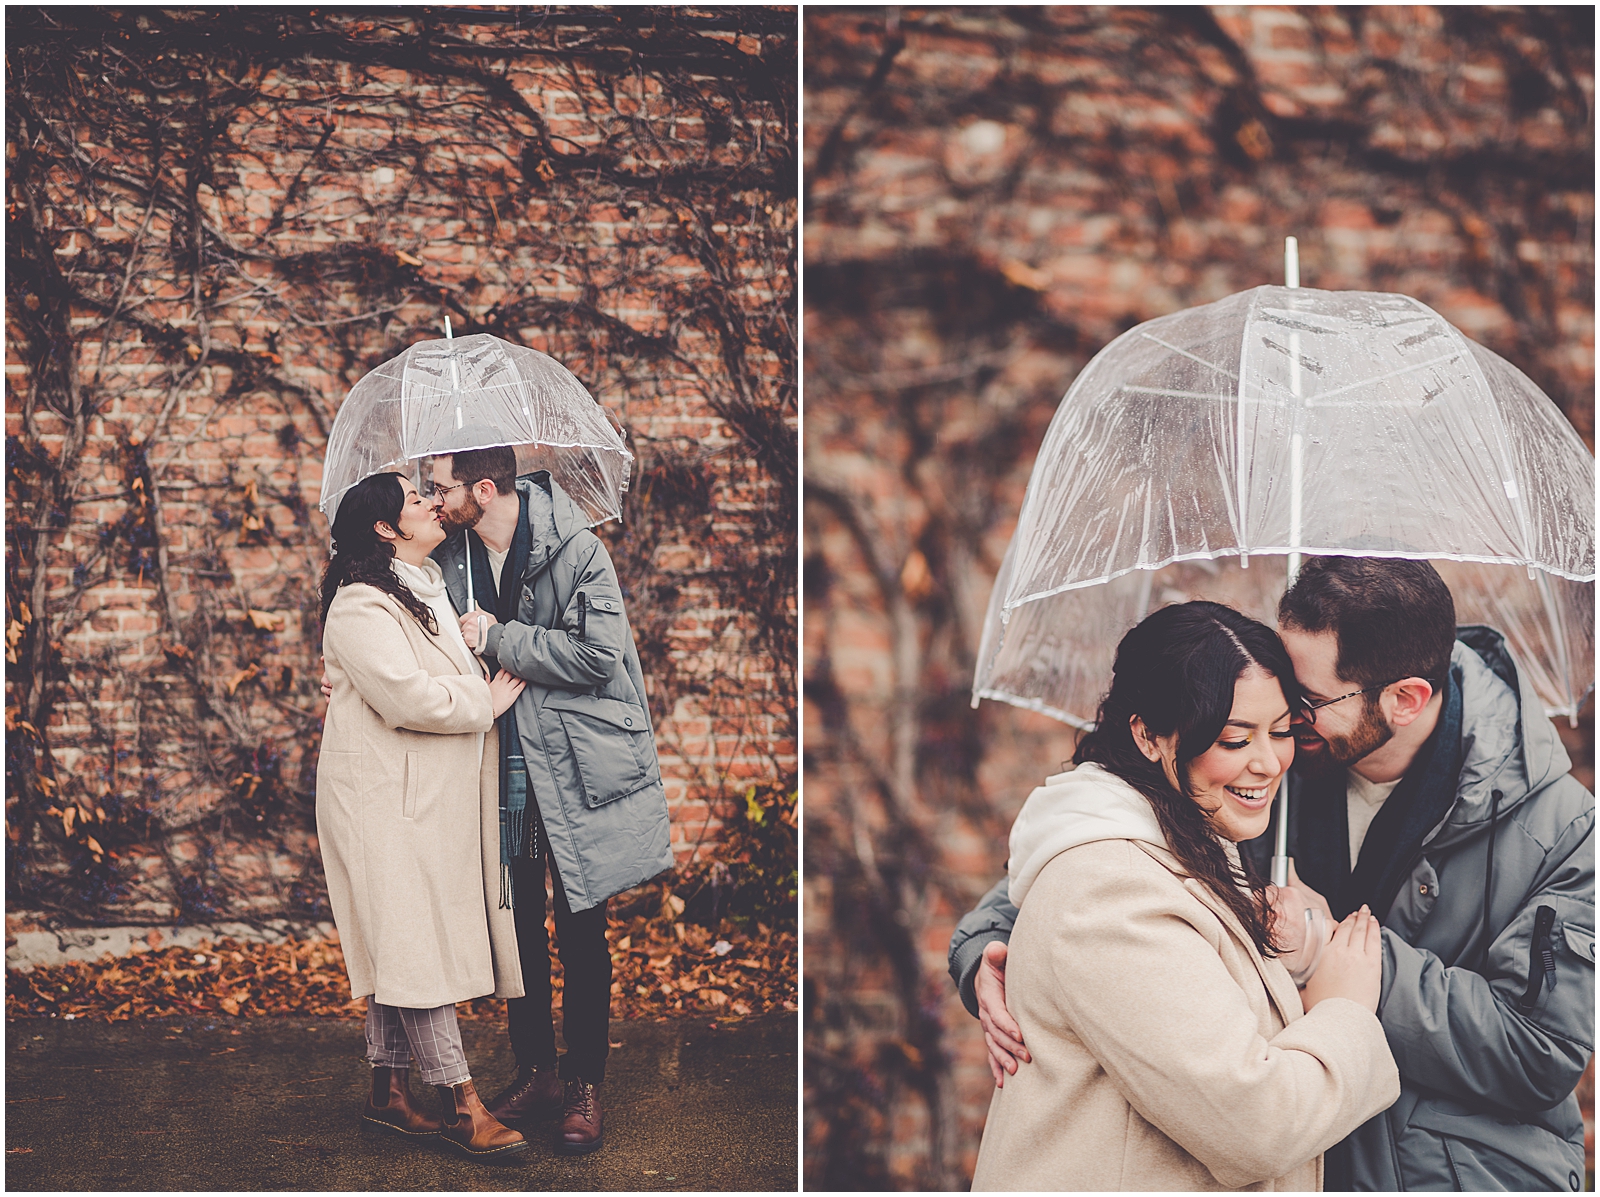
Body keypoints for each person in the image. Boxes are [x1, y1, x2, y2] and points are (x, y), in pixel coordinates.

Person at [951, 558, 1596, 1191]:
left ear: (1405, 699)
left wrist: (1338, 959)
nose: (1283, 723)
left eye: (1305, 703)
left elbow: (1540, 1053)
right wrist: (988, 949)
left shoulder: (1564, 831)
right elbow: (1099, 861)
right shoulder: (1255, 769)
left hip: (1447, 1173)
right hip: (1268, 1139)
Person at [969, 600, 1399, 1191]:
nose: (1268, 762)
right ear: (1148, 734)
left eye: (1280, 732)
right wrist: (1343, 1010)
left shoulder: (1188, 844)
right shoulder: (1111, 893)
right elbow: (1256, 1124)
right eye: (1232, 739)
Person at [426, 444, 673, 1155]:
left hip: (572, 768)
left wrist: (500, 636)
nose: (434, 499)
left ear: (483, 486)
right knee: (518, 923)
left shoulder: (579, 553)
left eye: (441, 487)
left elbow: (599, 656)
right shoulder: (456, 558)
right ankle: (537, 1072)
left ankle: (584, 1083)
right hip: (505, 769)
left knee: (581, 921)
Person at [316, 471, 530, 1162]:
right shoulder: (358, 605)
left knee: (397, 937)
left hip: (418, 797)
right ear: (384, 527)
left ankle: (386, 1090)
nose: (436, 502)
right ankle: (461, 1103)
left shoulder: (428, 583)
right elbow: (407, 696)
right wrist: (482, 703)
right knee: (413, 944)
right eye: (417, 499)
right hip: (379, 798)